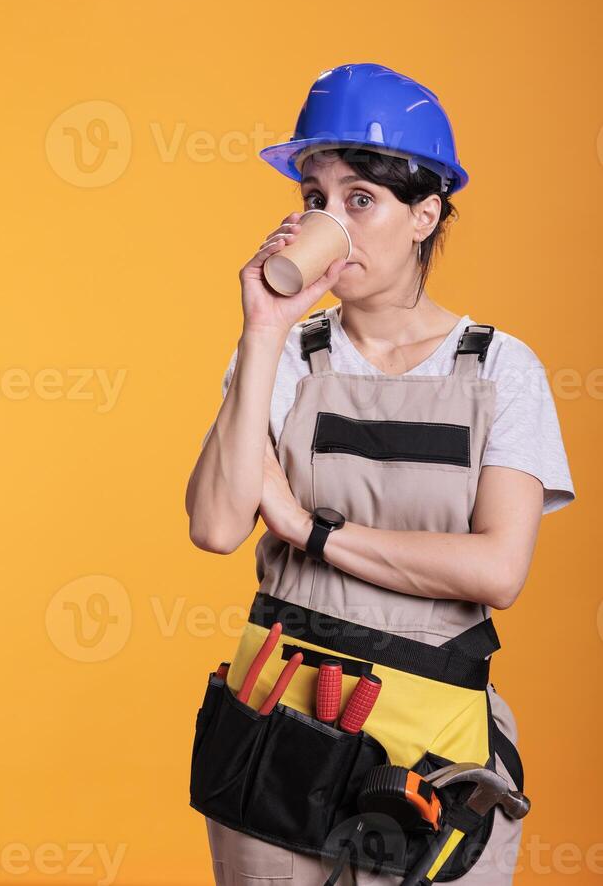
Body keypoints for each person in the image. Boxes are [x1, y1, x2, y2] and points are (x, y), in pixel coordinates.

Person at [185, 63, 575, 885]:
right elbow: (217, 528)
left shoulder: (503, 370)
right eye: (315, 197)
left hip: (430, 754)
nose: (331, 221)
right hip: (275, 734)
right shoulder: (284, 355)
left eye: (360, 198)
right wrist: (260, 330)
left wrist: (307, 530)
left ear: (424, 214)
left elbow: (498, 570)